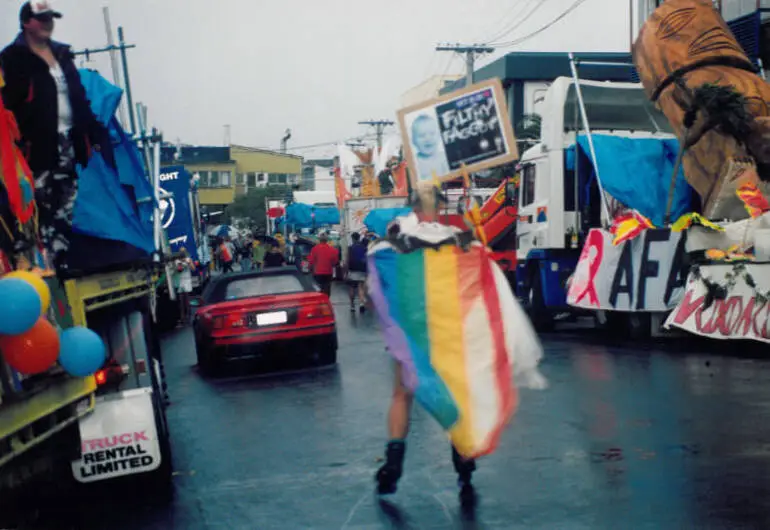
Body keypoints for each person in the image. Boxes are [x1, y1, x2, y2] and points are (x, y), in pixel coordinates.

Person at [374, 204, 477, 506]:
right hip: (445, 329)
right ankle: (462, 455)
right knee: (452, 391)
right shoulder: (447, 254)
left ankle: (394, 458)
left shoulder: (387, 258)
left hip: (406, 331)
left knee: (400, 396)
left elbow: (377, 297)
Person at [1, 1, 110, 270]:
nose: (48, 23)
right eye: (42, 18)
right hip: (34, 145)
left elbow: (79, 98)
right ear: (27, 22)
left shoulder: (62, 55)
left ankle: (57, 262)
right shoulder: (13, 58)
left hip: (68, 141)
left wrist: (94, 132)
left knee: (64, 205)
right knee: (34, 205)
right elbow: (8, 103)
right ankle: (31, 262)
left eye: (51, 18)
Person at [411, 115, 450, 182]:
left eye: (432, 133)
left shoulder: (445, 157)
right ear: (414, 141)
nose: (428, 139)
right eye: (422, 135)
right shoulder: (414, 163)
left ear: (439, 136)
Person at [308, 232, 339, 298]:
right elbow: (335, 262)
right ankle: (326, 302)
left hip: (318, 272)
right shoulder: (333, 250)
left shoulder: (314, 249)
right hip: (328, 272)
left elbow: (311, 261)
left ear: (319, 240)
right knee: (327, 289)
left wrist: (310, 268)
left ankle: (320, 302)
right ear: (327, 240)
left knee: (319, 289)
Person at [346, 232, 368, 313]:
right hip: (362, 270)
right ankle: (361, 303)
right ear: (359, 238)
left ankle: (352, 306)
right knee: (360, 287)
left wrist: (346, 271)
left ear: (352, 239)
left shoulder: (350, 248)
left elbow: (347, 260)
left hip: (352, 270)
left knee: (352, 288)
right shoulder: (364, 247)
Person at [175, 248, 194, 325]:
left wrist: (189, 263)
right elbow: (179, 270)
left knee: (187, 301)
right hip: (179, 282)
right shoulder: (177, 261)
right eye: (181, 252)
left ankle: (189, 316)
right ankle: (182, 318)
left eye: (183, 252)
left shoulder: (188, 259)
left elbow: (193, 268)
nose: (182, 254)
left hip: (186, 281)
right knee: (181, 302)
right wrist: (181, 264)